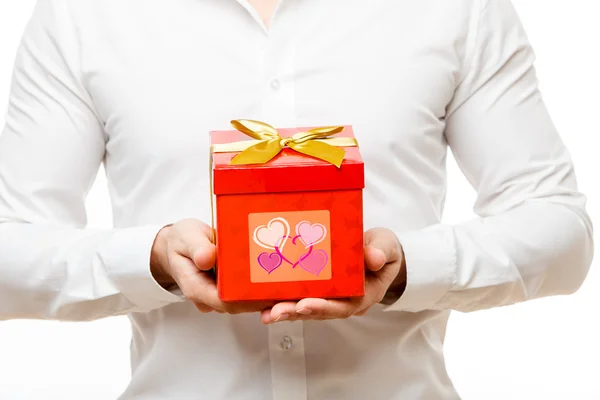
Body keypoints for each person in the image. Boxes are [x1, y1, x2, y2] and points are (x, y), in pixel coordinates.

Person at [0, 0, 593, 399]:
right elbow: (10, 253)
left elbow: (560, 231)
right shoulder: (80, 15)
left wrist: (408, 268)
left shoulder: (459, 9)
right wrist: (151, 262)